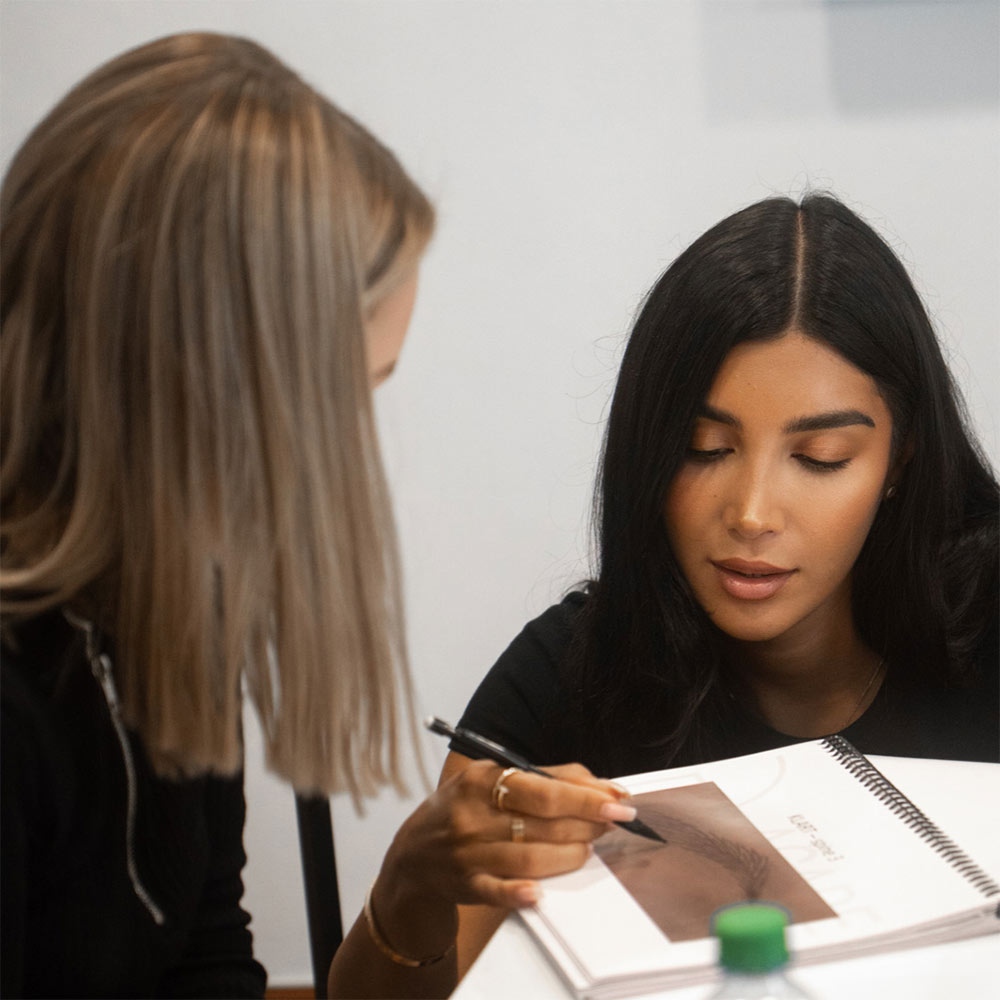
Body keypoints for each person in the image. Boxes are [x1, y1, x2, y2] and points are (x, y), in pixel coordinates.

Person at [329, 193, 998, 998]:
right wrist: (414, 883)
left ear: (900, 461)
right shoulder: (573, 672)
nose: (751, 513)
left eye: (819, 458)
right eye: (703, 449)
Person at [0, 31, 439, 997]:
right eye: (342, 396)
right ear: (196, 383)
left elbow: (203, 939)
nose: (351, 454)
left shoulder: (169, 599)